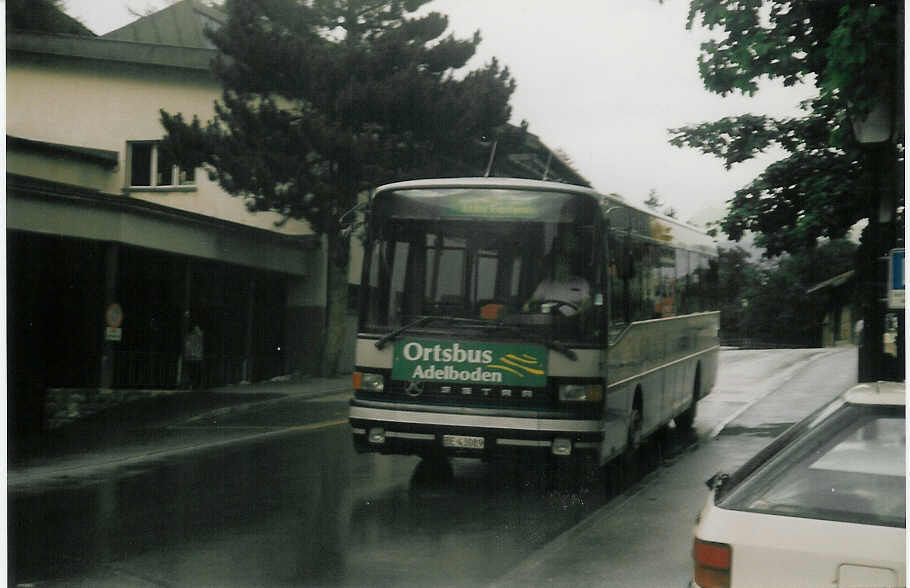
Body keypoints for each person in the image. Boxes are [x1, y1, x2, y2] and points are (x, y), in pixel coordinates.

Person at [525, 233, 590, 316]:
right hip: (547, 322)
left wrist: (579, 313)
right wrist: (527, 306)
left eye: (564, 264)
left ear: (569, 266)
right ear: (554, 267)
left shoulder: (581, 283)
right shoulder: (545, 284)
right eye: (559, 264)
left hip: (573, 324)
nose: (562, 267)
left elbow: (587, 303)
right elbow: (531, 302)